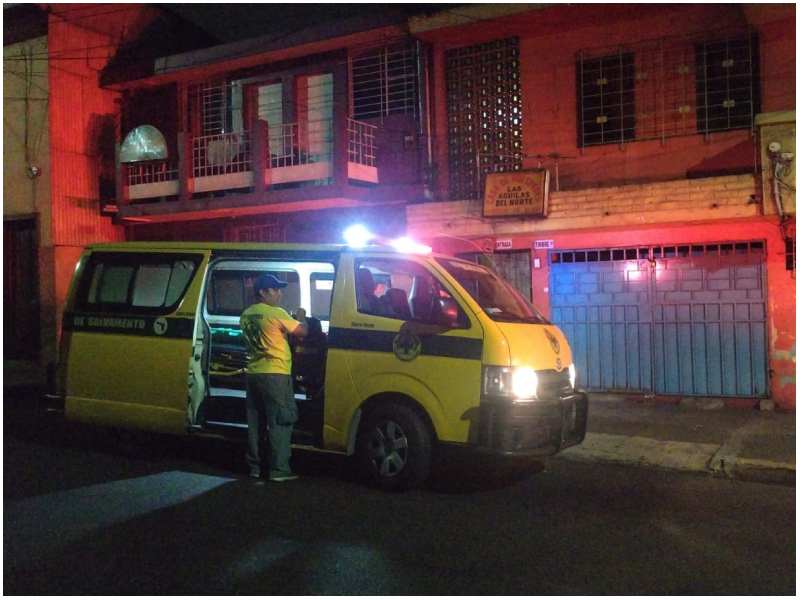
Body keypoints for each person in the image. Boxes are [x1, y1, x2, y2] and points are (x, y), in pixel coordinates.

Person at [239, 274, 307, 482]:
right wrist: (301, 316)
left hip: (254, 373)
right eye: (275, 289)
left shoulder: (247, 314)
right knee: (280, 421)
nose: (279, 293)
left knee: (256, 423)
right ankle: (279, 470)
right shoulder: (276, 313)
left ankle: (256, 467)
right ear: (262, 292)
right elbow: (302, 331)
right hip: (276, 374)